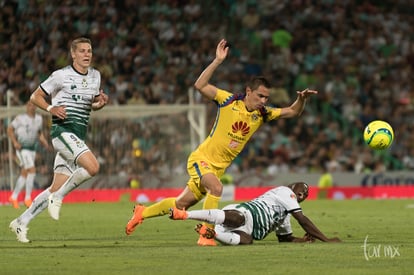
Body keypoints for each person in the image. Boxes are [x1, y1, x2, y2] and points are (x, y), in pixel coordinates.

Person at [125, 38, 317, 246]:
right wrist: (217, 61)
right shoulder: (228, 100)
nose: (263, 101)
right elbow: (200, 85)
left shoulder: (262, 114)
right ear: (249, 91)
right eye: (260, 96)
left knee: (181, 205)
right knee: (216, 189)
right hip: (201, 159)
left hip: (217, 168)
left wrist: (302, 99)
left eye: (266, 98)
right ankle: (206, 234)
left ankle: (142, 212)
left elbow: (293, 111)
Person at [9, 37, 108, 243]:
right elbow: (35, 96)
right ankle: (60, 197)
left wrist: (100, 104)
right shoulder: (60, 76)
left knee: (54, 188)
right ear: (73, 54)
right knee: (93, 168)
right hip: (62, 133)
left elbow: (89, 105)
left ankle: (21, 221)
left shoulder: (96, 76)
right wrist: (51, 108)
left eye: (89, 50)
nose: (87, 54)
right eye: (82, 51)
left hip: (77, 136)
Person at [169, 182, 341, 245]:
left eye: (304, 195)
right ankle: (184, 214)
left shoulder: (285, 215)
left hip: (238, 233)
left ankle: (212, 234)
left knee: (247, 240)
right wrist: (325, 239)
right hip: (244, 213)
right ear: (292, 188)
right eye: (300, 191)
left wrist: (301, 240)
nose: (301, 195)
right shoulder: (284, 192)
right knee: (237, 218)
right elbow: (302, 220)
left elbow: (284, 238)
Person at [7, 101, 50, 209]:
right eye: (29, 105)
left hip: (32, 149)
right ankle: (27, 198)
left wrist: (43, 140)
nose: (31, 107)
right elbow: (9, 129)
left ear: (36, 107)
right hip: (22, 149)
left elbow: (39, 133)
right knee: (32, 170)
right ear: (26, 106)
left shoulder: (39, 119)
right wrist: (15, 142)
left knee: (24, 173)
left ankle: (14, 196)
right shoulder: (20, 118)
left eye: (33, 105)